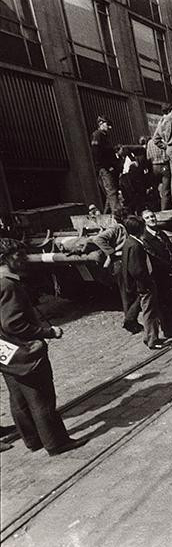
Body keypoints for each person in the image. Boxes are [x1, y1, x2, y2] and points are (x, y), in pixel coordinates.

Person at [0, 238, 88, 456]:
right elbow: (14, 323)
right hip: (24, 352)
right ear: (5, 258)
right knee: (42, 398)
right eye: (18, 256)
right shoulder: (8, 284)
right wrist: (48, 332)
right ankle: (56, 442)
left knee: (18, 397)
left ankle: (33, 440)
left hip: (5, 352)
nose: (24, 259)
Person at [121, 215, 162, 350]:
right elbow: (137, 270)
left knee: (147, 309)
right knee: (150, 311)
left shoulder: (129, 242)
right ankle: (152, 339)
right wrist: (148, 282)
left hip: (140, 285)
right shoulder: (135, 246)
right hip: (144, 285)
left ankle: (148, 336)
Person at [141, 209, 172, 337]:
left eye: (152, 216)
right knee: (163, 302)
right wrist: (168, 267)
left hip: (170, 270)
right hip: (160, 274)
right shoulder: (145, 238)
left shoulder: (161, 234)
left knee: (171, 299)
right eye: (147, 218)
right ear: (144, 222)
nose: (151, 219)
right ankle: (168, 329)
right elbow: (154, 257)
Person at [91, 116, 122, 213]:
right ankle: (118, 216)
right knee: (112, 192)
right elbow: (97, 153)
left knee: (111, 193)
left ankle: (106, 215)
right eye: (108, 125)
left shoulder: (104, 135)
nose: (110, 128)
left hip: (109, 168)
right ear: (101, 124)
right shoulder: (97, 135)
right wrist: (108, 166)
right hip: (105, 169)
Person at [147, 136, 171, 211]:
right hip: (164, 166)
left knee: (155, 188)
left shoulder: (150, 142)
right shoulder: (164, 141)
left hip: (154, 166)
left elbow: (148, 156)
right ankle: (164, 209)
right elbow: (168, 155)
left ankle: (155, 207)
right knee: (165, 190)